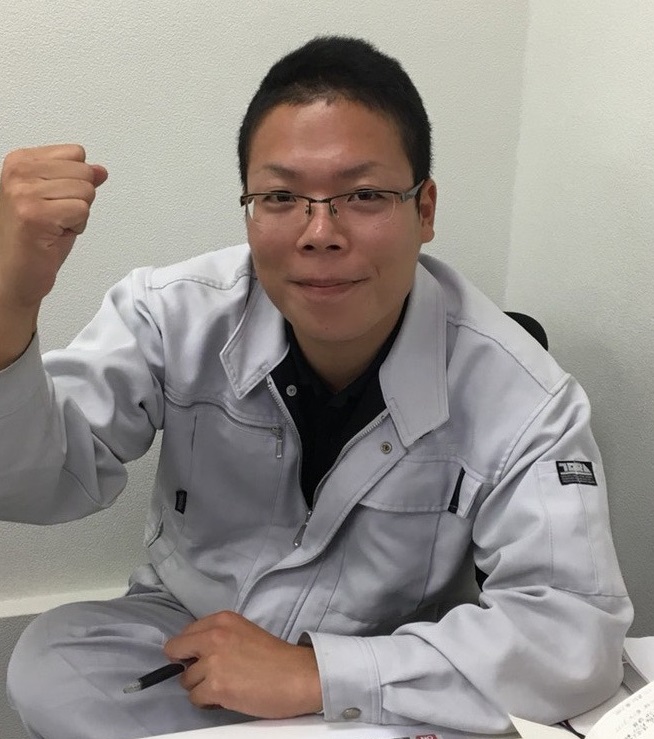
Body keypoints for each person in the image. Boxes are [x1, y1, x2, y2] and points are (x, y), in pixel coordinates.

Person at [0, 35, 632, 739]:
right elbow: (37, 484)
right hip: (195, 644)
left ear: (425, 209)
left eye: (363, 195)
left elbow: (576, 636)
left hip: (384, 674)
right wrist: (8, 309)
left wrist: (316, 675)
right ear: (248, 209)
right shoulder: (170, 314)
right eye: (281, 196)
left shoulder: (525, 394)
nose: (320, 232)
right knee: (50, 664)